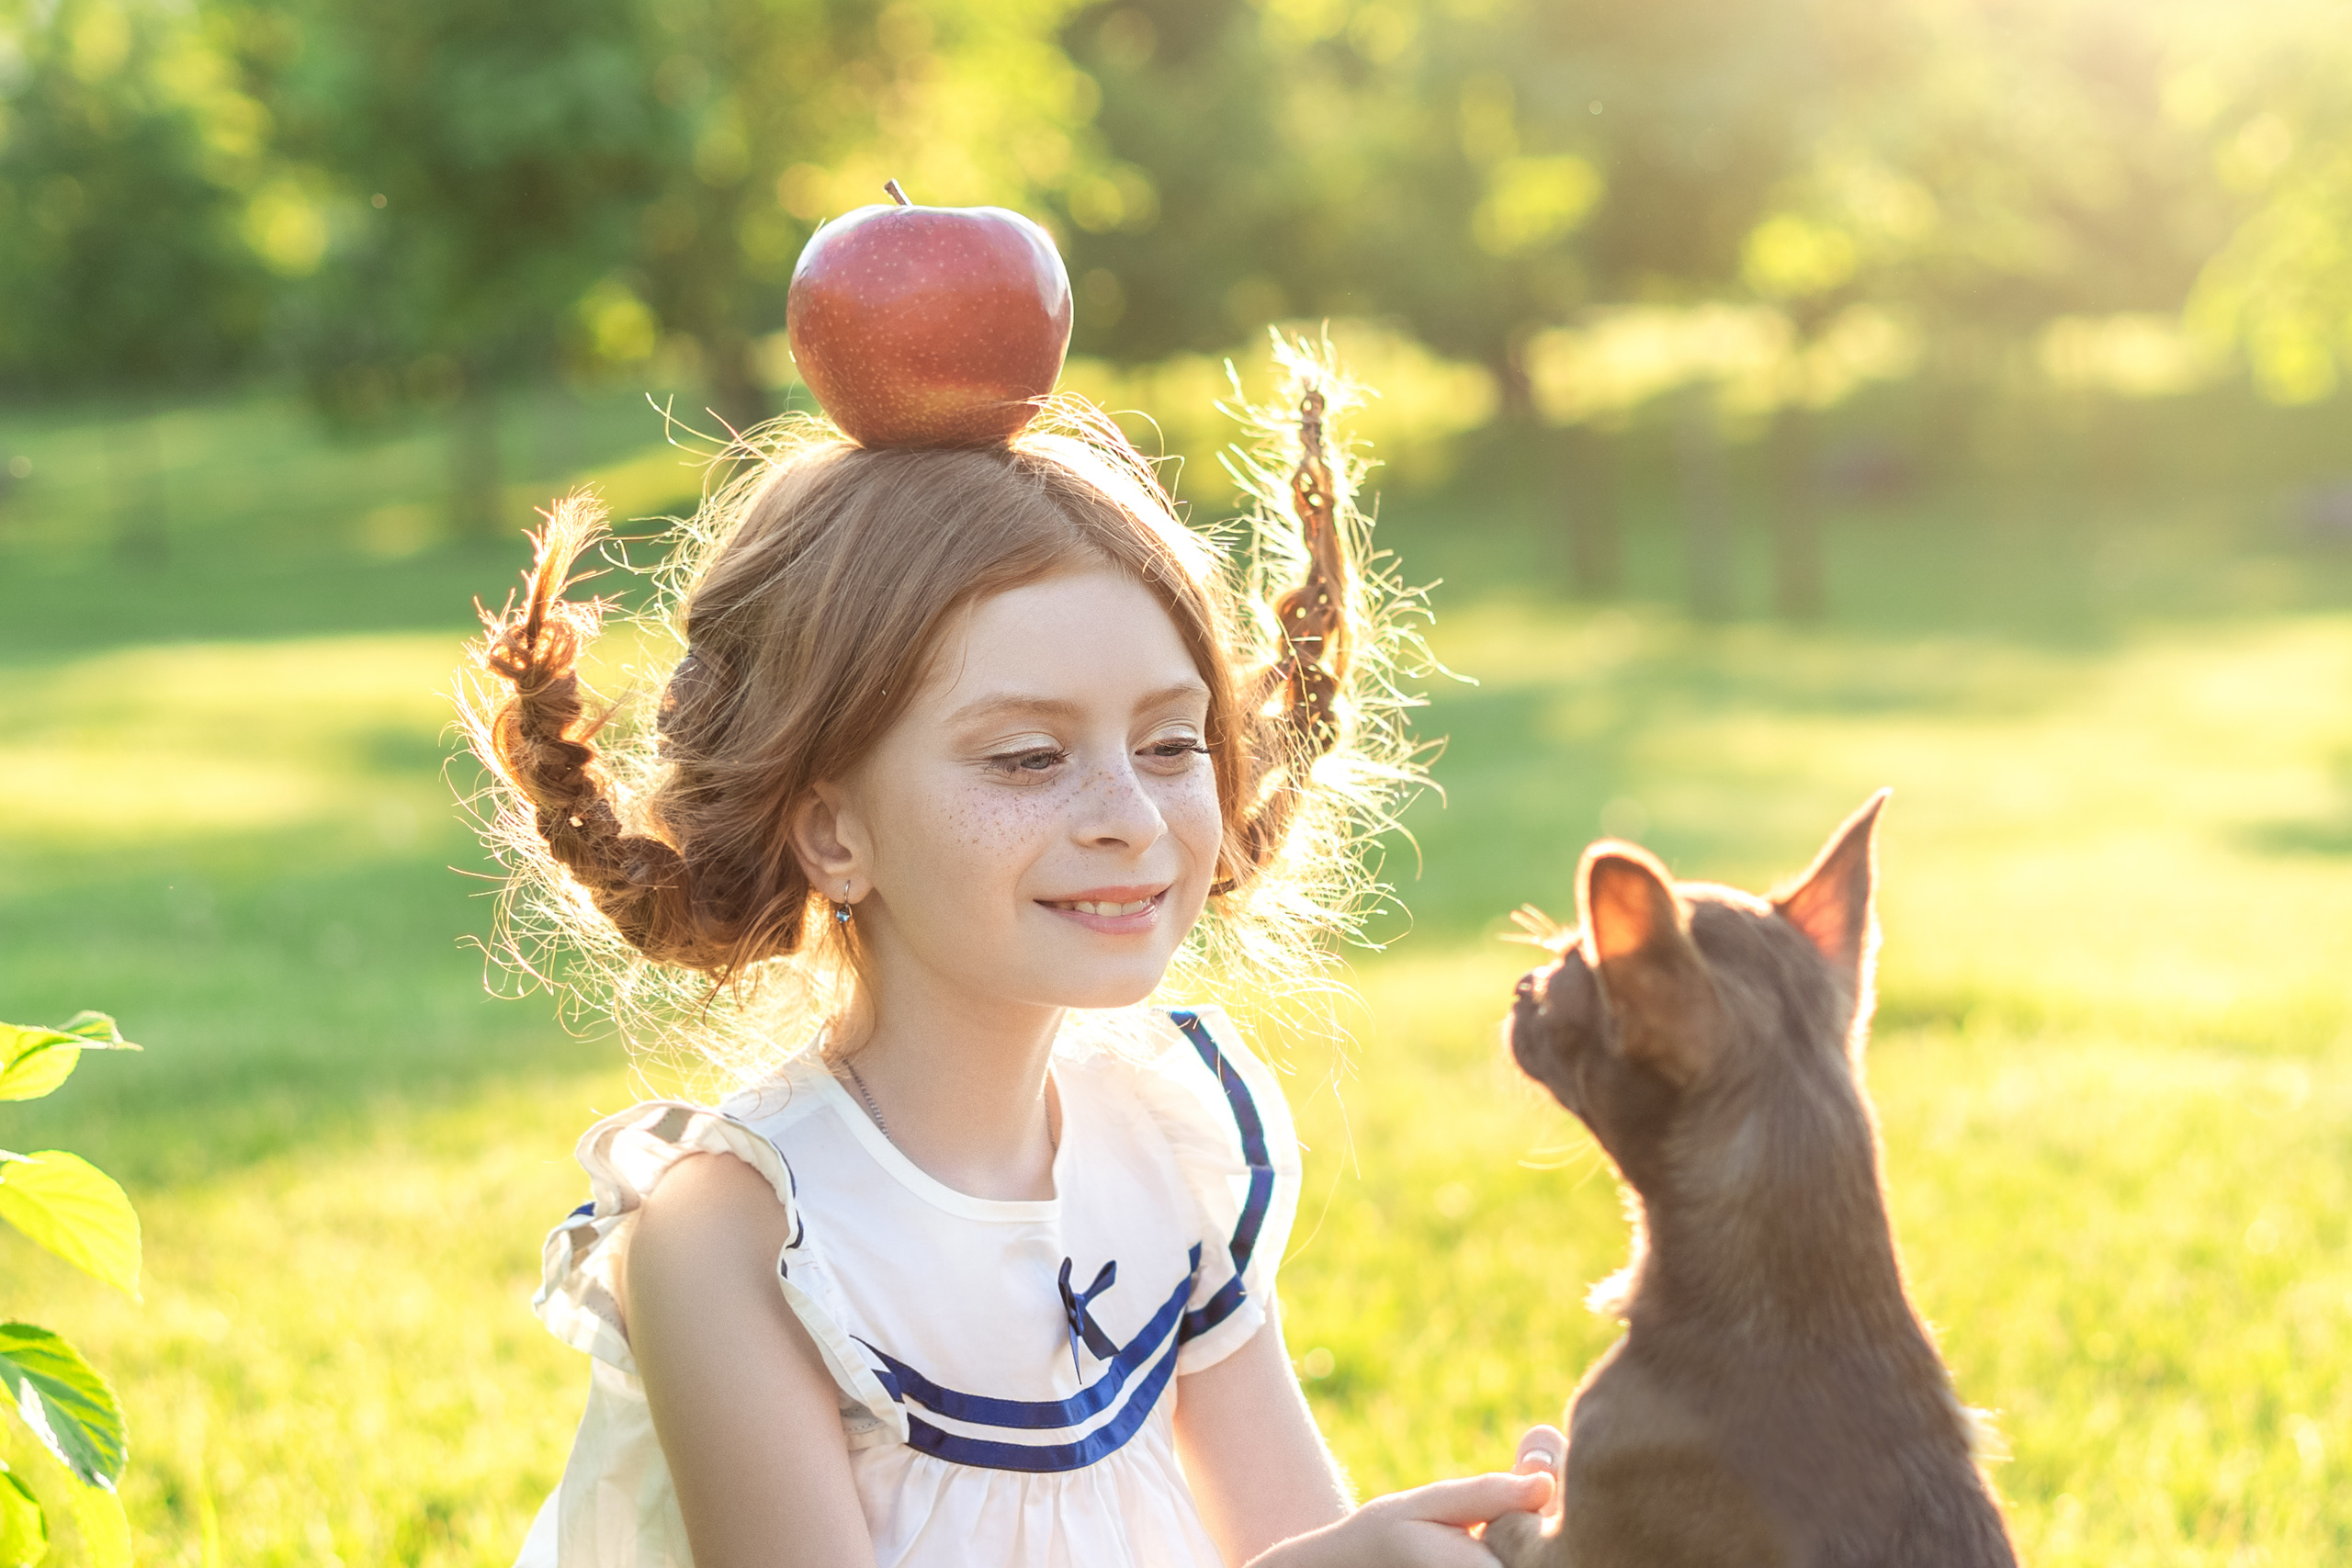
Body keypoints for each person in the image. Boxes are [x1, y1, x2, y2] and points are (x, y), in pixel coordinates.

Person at [464, 364, 1564, 1567]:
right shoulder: (736, 1238)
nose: (1131, 815)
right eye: (1031, 757)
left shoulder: (1164, 1133)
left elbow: (1297, 1537)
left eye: (1170, 742)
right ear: (833, 831)